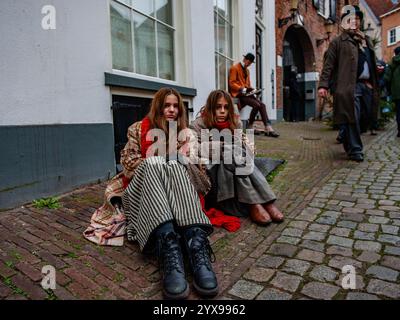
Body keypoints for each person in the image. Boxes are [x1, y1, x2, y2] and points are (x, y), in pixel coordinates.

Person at [84, 88, 218, 300]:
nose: (172, 110)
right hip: (143, 192)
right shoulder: (137, 129)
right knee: (159, 162)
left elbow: (200, 174)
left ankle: (195, 244)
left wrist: (184, 157)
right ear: (158, 107)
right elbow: (128, 164)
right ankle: (168, 246)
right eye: (167, 105)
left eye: (175, 106)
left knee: (173, 164)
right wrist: (163, 160)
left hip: (180, 195)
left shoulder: (187, 134)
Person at [190, 90, 284, 226]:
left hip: (234, 174)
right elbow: (194, 149)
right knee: (231, 150)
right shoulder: (198, 125)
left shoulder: (235, 123)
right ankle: (262, 201)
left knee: (235, 152)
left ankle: (258, 202)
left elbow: (244, 151)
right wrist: (221, 147)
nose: (222, 111)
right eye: (218, 107)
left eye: (226, 107)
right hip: (213, 176)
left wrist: (241, 148)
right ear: (211, 108)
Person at [318, 5, 379, 162]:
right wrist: (323, 85)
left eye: (357, 19)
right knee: (354, 117)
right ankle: (355, 150)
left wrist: (377, 71)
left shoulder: (366, 41)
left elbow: (370, 61)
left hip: (367, 86)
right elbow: (328, 65)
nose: (355, 22)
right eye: (351, 19)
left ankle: (345, 133)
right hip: (348, 86)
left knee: (365, 118)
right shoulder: (338, 42)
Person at [229, 53, 279, 137]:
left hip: (247, 94)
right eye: (248, 62)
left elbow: (248, 85)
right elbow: (232, 83)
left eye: (250, 63)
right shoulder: (234, 68)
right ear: (244, 59)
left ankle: (268, 127)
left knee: (262, 105)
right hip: (239, 94)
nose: (248, 64)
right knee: (257, 105)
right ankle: (250, 125)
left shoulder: (247, 71)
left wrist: (254, 90)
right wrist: (242, 89)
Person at [384, 46, 400, 137]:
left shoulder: (392, 63)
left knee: (399, 111)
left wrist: (389, 91)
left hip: (397, 92)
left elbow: (387, 78)